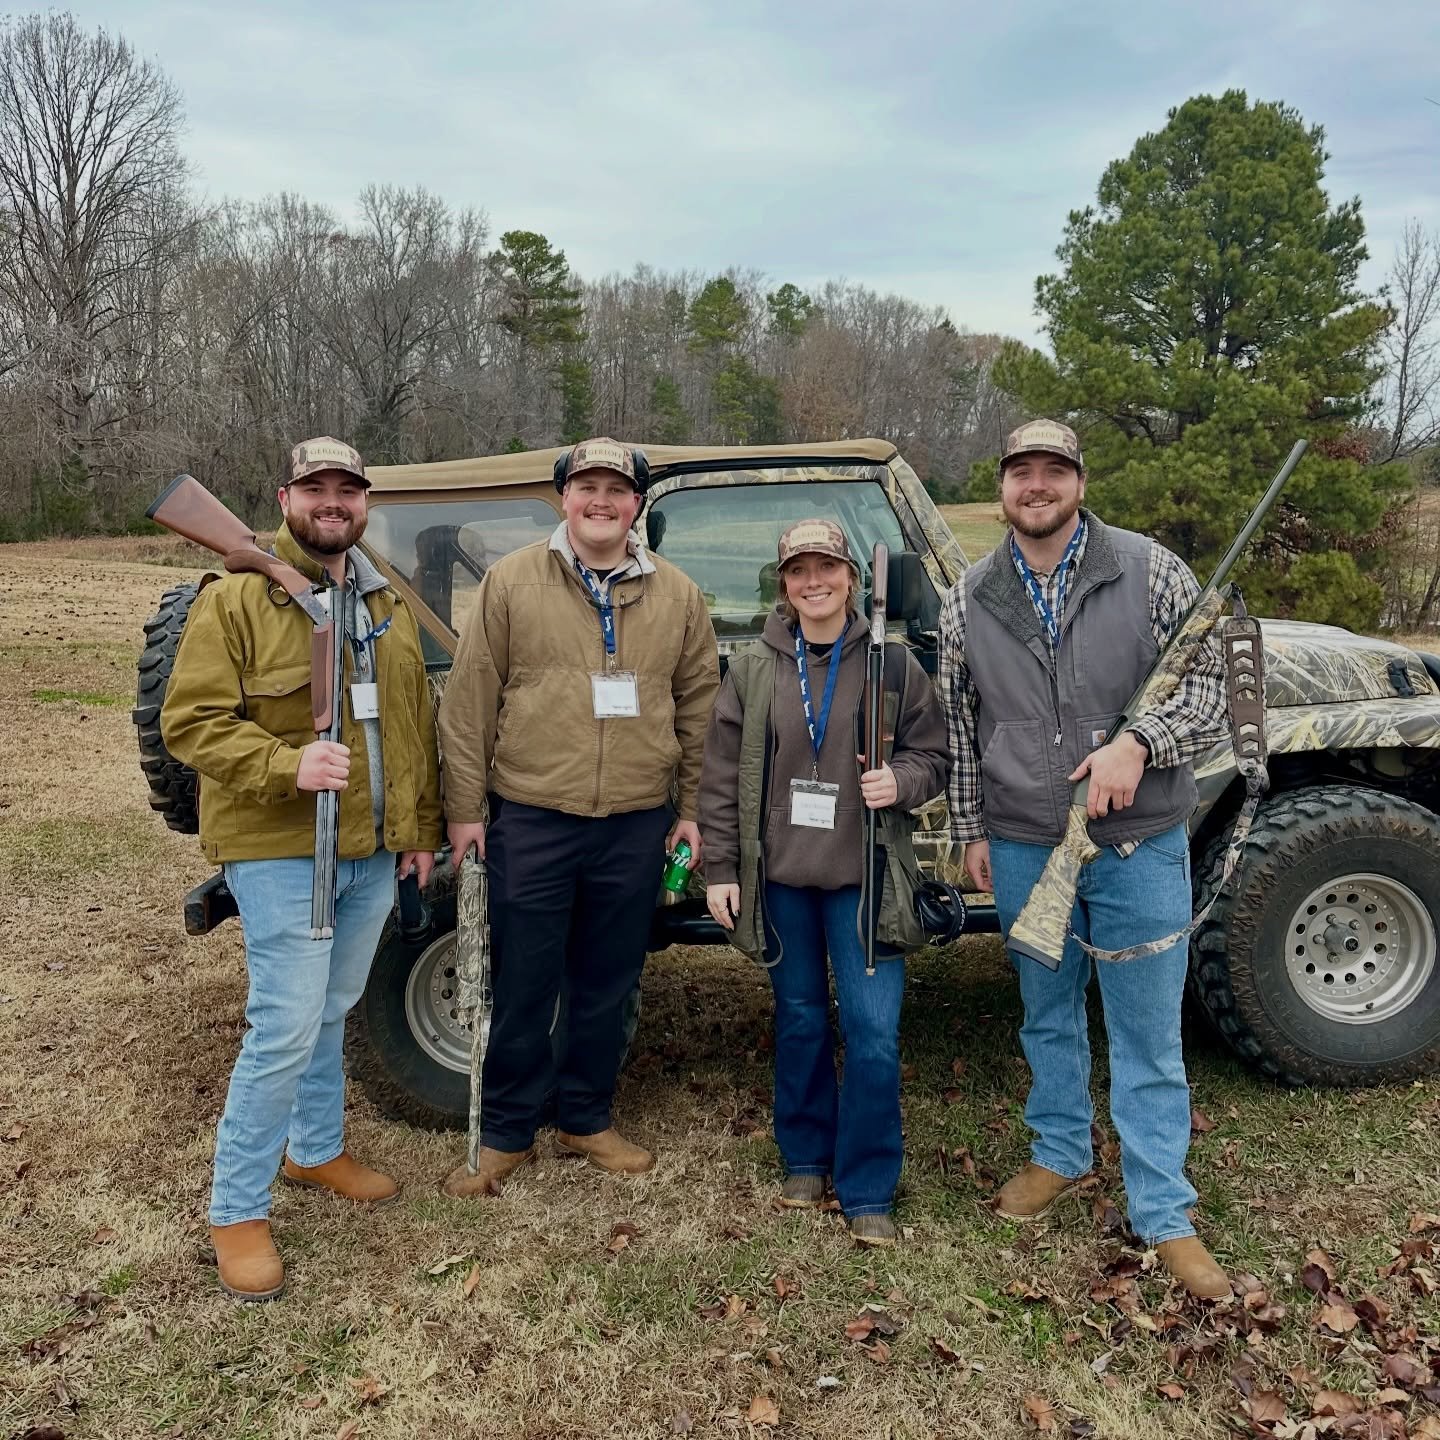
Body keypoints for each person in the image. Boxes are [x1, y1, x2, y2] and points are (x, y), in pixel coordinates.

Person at [937, 418, 1230, 1298]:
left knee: (1148, 1032)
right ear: (1002, 488)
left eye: (1053, 471)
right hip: (1028, 843)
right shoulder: (969, 595)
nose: (1037, 485)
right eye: (1021, 472)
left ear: (1078, 481)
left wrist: (1141, 741)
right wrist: (970, 830)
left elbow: (1212, 682)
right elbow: (959, 725)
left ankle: (1164, 1211)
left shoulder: (1151, 569)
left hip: (1140, 841)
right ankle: (1059, 1153)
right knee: (1046, 1012)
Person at [162, 436, 443, 1301]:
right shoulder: (239, 599)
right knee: (283, 1025)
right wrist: (289, 765)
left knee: (334, 1007)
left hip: (369, 850)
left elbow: (408, 725)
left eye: (347, 490)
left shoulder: (383, 599)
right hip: (282, 850)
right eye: (315, 488)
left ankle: (315, 1152)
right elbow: (193, 722)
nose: (333, 502)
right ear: (285, 498)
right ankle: (237, 1210)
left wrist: (419, 829)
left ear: (364, 504)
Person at [438, 437, 719, 1196]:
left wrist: (690, 809)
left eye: (618, 489)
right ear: (564, 497)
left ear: (638, 504)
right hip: (532, 817)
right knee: (523, 979)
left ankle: (586, 1117)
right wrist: (466, 811)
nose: (602, 501)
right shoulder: (512, 582)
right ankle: (505, 1131)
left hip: (635, 824)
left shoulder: (680, 595)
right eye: (587, 486)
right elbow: (468, 707)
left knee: (609, 981)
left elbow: (699, 711)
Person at [699, 519, 949, 1247]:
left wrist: (898, 781)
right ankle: (805, 1157)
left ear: (852, 577)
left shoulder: (893, 665)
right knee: (802, 1019)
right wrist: (720, 869)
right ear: (783, 584)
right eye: (800, 569)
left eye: (829, 567)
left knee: (873, 1033)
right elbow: (719, 781)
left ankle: (868, 1183)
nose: (816, 581)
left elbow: (934, 757)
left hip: (863, 878)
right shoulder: (752, 669)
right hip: (781, 881)